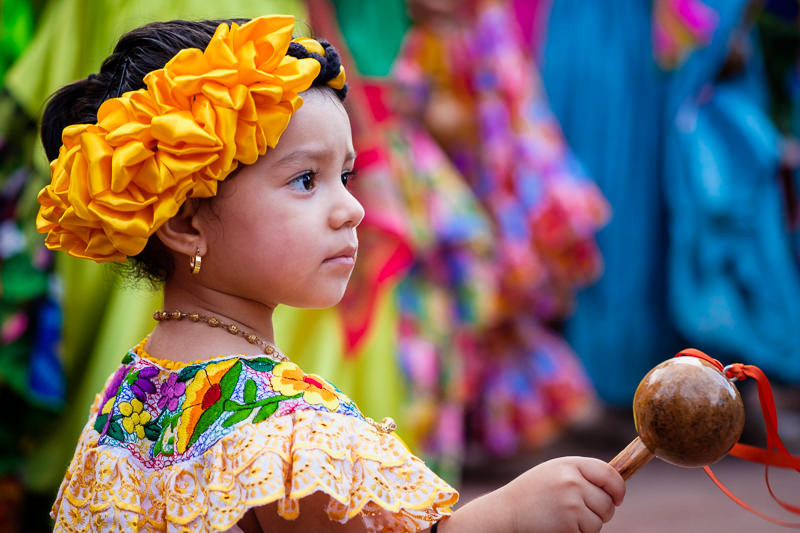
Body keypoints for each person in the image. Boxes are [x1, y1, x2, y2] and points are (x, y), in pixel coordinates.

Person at [37, 15, 625, 532]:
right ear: (188, 223)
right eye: (304, 180)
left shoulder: (132, 393)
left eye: (345, 175)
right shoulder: (286, 435)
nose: (353, 207)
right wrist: (508, 519)